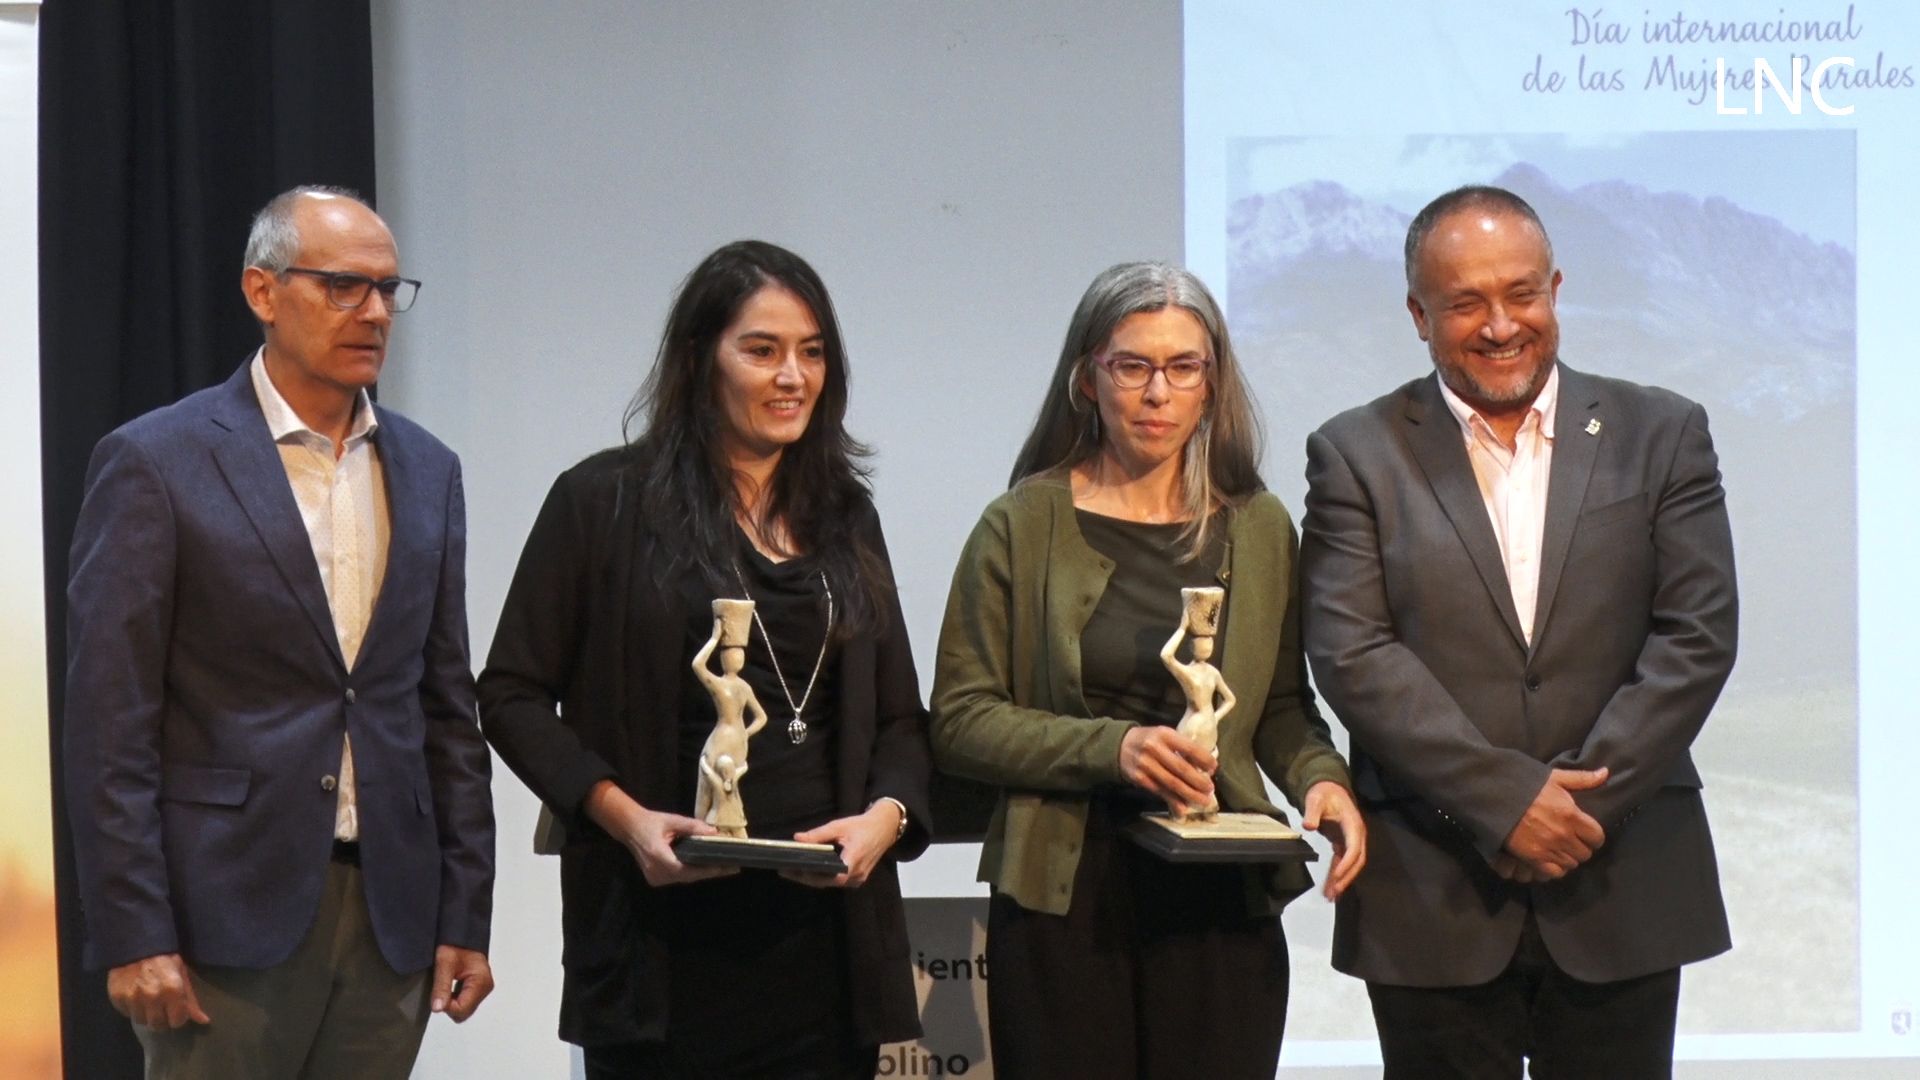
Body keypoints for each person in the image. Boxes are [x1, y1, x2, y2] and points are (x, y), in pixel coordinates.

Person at [1301, 185, 1737, 1078]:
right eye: (1465, 302)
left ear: (1556, 289)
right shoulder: (1355, 451)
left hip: (1622, 874)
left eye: (1522, 294)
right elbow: (1352, 650)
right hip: (1434, 886)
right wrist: (1505, 802)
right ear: (1419, 315)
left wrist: (1575, 810)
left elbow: (1696, 634)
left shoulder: (1663, 432)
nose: (1500, 325)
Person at [63, 186, 496, 1078]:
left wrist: (465, 915)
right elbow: (111, 724)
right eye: (343, 286)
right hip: (220, 918)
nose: (374, 311)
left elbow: (447, 711)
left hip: (390, 919)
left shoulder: (427, 469)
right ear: (263, 292)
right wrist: (133, 929)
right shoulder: (157, 461)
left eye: (388, 289)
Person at [478, 240, 931, 1078]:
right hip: (662, 941)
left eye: (812, 352)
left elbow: (902, 718)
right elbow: (509, 694)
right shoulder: (603, 501)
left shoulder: (845, 516)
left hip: (824, 947)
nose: (792, 375)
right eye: (761, 351)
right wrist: (621, 816)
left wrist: (886, 821)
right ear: (699, 359)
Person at [930, 261, 1367, 1079]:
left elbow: (1276, 707)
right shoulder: (1021, 523)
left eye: (1183, 367)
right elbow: (960, 720)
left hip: (1218, 885)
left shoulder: (1261, 525)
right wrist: (1117, 749)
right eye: (1132, 366)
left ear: (1212, 384)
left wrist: (1323, 779)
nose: (1157, 392)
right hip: (1065, 893)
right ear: (1087, 380)